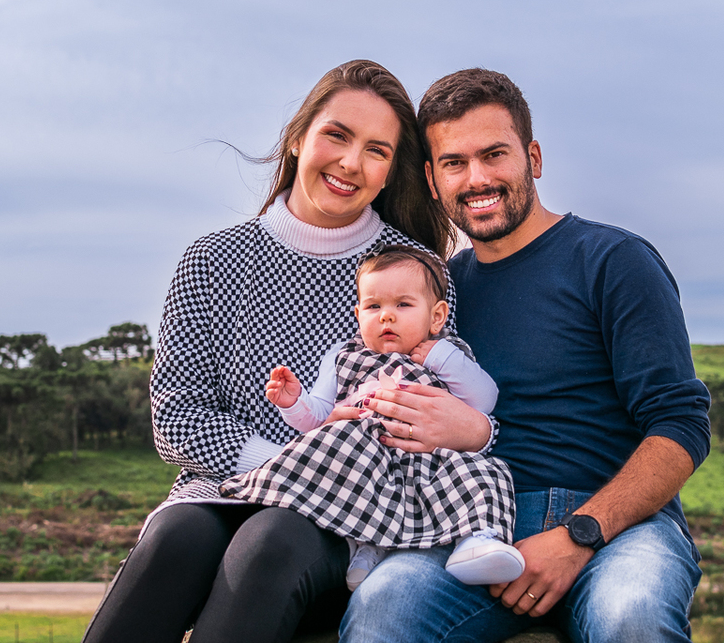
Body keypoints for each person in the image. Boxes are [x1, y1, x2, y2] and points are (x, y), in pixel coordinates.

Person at [79, 60, 470, 643]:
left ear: (390, 173)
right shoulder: (210, 261)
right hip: (222, 488)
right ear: (297, 139)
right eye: (336, 135)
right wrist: (284, 464)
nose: (350, 163)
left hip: (352, 505)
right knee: (174, 539)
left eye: (376, 150)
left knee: (269, 541)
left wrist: (310, 476)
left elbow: (426, 415)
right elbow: (176, 419)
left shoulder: (418, 275)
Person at [339, 68, 712, 643]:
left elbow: (681, 426)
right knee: (382, 607)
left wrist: (579, 534)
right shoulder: (438, 293)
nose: (477, 178)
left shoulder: (613, 260)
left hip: (617, 526)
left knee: (632, 616)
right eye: (454, 163)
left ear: (533, 158)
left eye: (494, 154)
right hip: (472, 522)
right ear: (432, 181)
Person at [219, 244, 525, 591]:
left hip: (431, 459)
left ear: (437, 316)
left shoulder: (447, 353)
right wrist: (293, 402)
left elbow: (485, 399)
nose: (386, 316)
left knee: (483, 473)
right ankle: (363, 548)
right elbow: (318, 418)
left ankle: (477, 540)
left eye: (403, 305)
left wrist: (441, 358)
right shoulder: (342, 357)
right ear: (358, 314)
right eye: (373, 306)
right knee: (333, 459)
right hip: (364, 459)